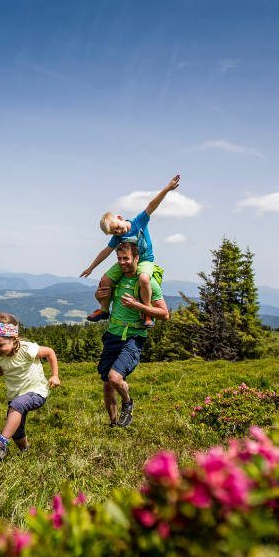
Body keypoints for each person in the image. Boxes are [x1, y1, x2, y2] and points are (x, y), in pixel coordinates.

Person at [80, 174, 180, 328]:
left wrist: (167, 188)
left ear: (120, 217)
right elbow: (106, 251)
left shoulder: (138, 222)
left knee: (144, 279)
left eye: (118, 228)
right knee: (105, 279)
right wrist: (91, 268)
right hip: (128, 260)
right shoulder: (118, 237)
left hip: (145, 259)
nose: (119, 232)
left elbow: (152, 205)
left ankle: (146, 313)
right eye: (115, 232)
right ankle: (104, 310)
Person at [97, 241, 169, 427]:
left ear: (136, 258)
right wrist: (99, 296)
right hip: (112, 334)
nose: (122, 262)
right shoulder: (117, 279)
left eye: (126, 258)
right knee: (107, 384)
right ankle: (114, 425)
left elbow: (165, 314)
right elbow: (104, 298)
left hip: (133, 337)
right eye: (119, 259)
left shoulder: (148, 281)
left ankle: (128, 403)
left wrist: (137, 305)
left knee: (115, 378)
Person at [0, 312, 60, 462]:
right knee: (16, 430)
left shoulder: (27, 349)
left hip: (37, 392)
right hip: (15, 396)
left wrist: (54, 375)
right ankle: (25, 452)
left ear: (13, 339)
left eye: (0, 345)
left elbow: (49, 352)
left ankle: (0, 442)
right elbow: (1, 372)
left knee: (18, 405)